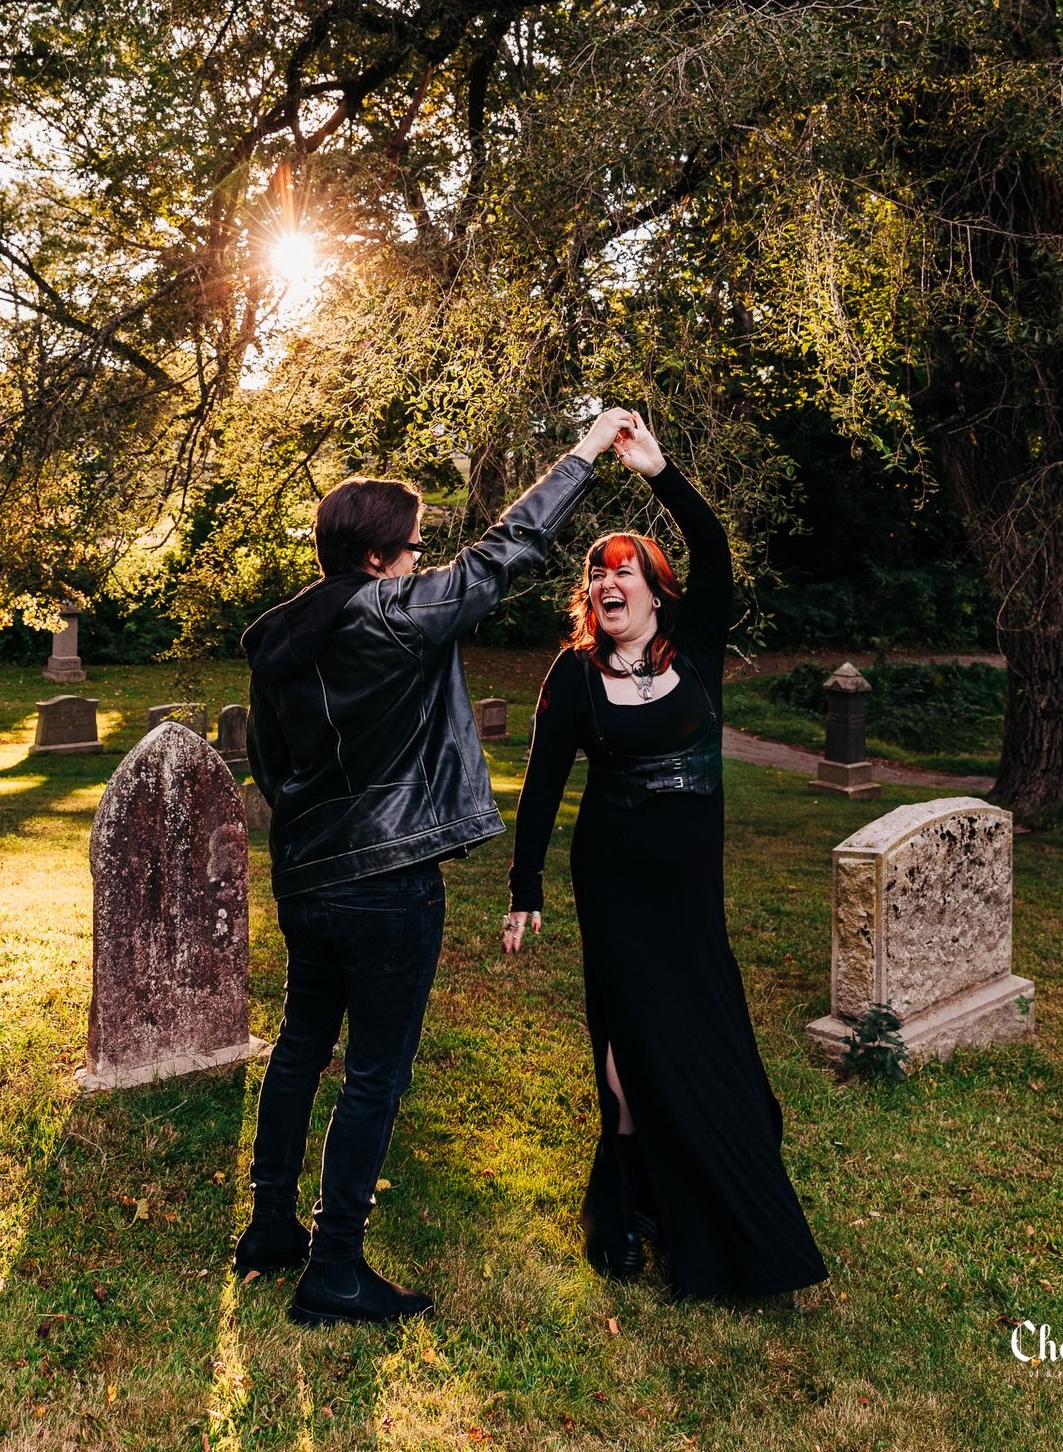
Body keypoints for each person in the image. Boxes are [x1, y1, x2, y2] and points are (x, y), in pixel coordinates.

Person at [234, 407, 635, 1327]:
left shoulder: (282, 640)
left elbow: (270, 766)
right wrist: (582, 452)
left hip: (307, 878)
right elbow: (510, 548)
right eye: (414, 547)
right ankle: (333, 1270)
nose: (423, 559)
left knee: (301, 1044)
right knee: (375, 1070)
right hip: (387, 879)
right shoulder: (395, 612)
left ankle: (269, 1227)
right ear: (377, 559)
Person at [503, 411, 828, 1303]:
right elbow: (540, 785)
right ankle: (620, 1209)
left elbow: (717, 553)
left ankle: (690, 1205)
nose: (609, 583)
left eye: (625, 571)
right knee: (626, 1052)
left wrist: (659, 471)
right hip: (613, 885)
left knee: (704, 1042)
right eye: (596, 574)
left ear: (655, 589)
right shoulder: (573, 676)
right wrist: (525, 885)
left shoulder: (699, 651)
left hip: (690, 897)